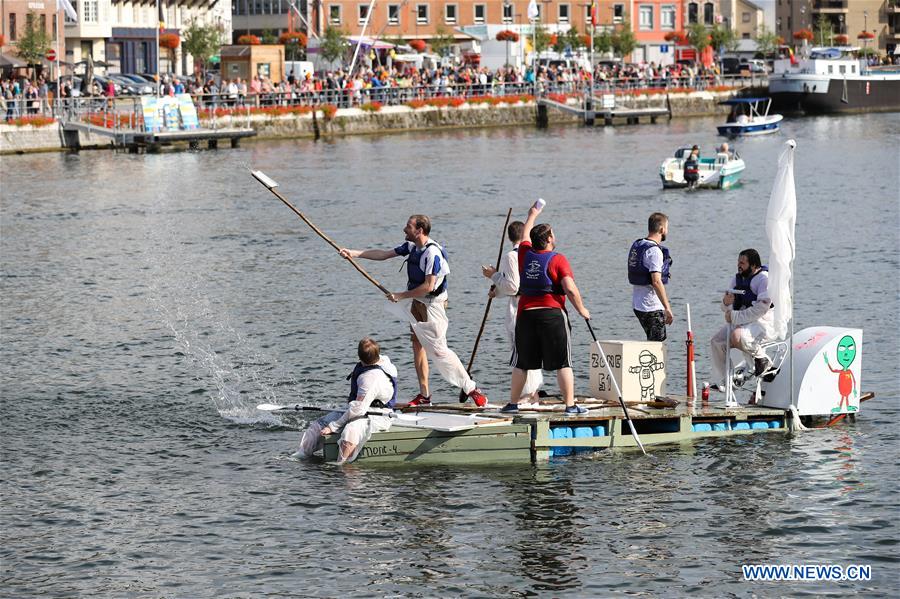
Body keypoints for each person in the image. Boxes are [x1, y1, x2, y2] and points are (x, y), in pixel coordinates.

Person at [340, 215, 488, 407]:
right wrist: (353, 253)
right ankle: (424, 395)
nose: (404, 229)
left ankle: (471, 389)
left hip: (433, 305)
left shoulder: (432, 253)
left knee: (440, 352)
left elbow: (428, 286)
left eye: (408, 227)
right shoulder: (411, 247)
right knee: (417, 346)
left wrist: (401, 296)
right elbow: (384, 254)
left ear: (419, 230)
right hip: (417, 302)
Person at [500, 201, 591, 415]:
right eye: (553, 234)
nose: (555, 237)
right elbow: (569, 288)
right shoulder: (558, 259)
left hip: (526, 316)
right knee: (563, 363)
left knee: (522, 363)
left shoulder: (524, 253)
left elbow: (524, 237)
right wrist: (582, 310)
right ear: (549, 239)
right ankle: (570, 406)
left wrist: (532, 213)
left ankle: (513, 403)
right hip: (552, 316)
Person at [294, 337, 398, 463]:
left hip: (378, 414)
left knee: (351, 431)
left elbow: (357, 410)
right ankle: (300, 455)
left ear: (359, 356)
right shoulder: (383, 359)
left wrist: (334, 426)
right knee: (318, 425)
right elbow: (357, 407)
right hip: (359, 407)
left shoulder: (370, 378)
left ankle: (341, 464)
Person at [481, 221, 543, 401]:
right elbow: (515, 285)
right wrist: (497, 291)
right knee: (532, 351)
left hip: (519, 309)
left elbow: (513, 287)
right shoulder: (535, 253)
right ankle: (534, 394)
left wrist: (493, 274)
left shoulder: (512, 255)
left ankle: (526, 395)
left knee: (520, 353)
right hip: (535, 306)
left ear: (509, 237)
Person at [710, 249, 775, 391]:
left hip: (762, 322)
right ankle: (728, 379)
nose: (739, 266)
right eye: (738, 262)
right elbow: (726, 307)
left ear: (753, 265)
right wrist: (726, 303)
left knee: (736, 336)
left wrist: (734, 316)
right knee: (717, 342)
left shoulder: (764, 279)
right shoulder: (736, 279)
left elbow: (761, 309)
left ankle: (762, 359)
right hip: (741, 322)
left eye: (742, 263)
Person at [628, 212, 674, 341]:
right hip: (651, 306)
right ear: (661, 229)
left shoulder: (639, 244)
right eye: (667, 228)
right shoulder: (654, 251)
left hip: (638, 304)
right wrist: (667, 307)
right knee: (656, 344)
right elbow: (656, 281)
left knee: (652, 342)